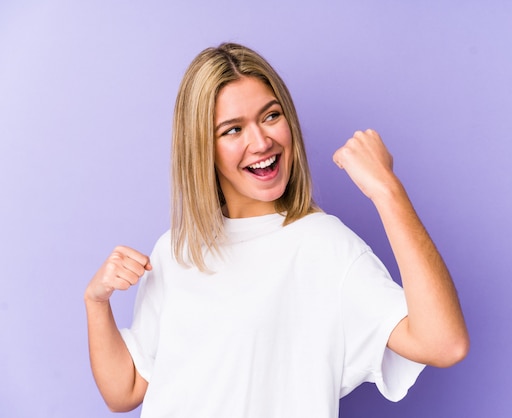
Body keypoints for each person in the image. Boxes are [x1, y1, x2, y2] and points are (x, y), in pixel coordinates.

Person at [84, 42, 469, 417]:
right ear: (202, 147)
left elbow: (444, 343)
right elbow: (126, 391)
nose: (261, 141)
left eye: (270, 116)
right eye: (233, 130)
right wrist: (96, 302)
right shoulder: (176, 250)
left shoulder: (324, 245)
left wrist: (387, 191)